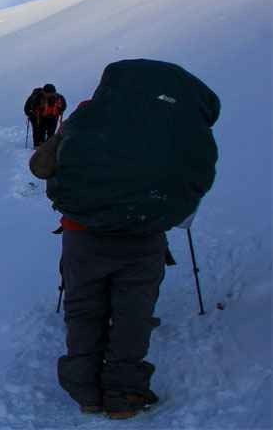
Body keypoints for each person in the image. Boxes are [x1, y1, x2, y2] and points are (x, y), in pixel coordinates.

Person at [30, 59, 219, 420]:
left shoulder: (88, 116)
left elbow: (40, 166)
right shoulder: (173, 126)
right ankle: (123, 393)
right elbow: (193, 177)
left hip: (83, 235)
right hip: (144, 237)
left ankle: (85, 391)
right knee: (134, 313)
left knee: (84, 310)